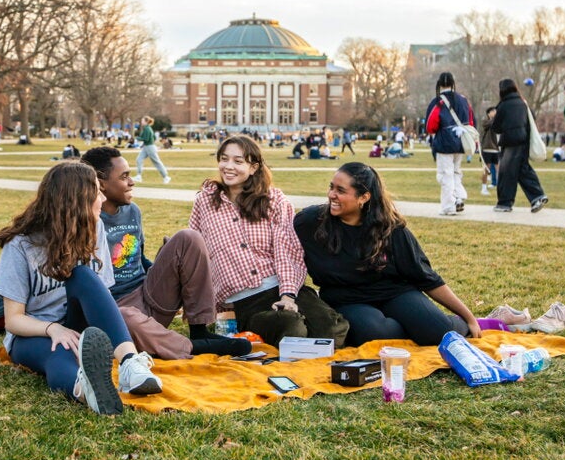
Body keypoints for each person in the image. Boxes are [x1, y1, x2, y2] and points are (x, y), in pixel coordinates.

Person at [0, 162, 162, 415]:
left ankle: (129, 364)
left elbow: (100, 293)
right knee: (60, 351)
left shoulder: (95, 229)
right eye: (97, 192)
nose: (103, 198)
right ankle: (86, 391)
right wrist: (53, 329)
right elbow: (13, 320)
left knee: (82, 274)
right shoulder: (21, 246)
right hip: (33, 333)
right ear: (77, 200)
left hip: (79, 324)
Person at [81, 146, 251, 359]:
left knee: (189, 238)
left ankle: (199, 330)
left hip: (148, 295)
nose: (132, 181)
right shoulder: (86, 222)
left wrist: (171, 275)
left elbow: (139, 258)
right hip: (116, 310)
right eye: (124, 177)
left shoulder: (132, 211)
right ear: (101, 183)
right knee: (125, 318)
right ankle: (191, 347)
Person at [294, 163, 480, 346]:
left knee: (439, 332)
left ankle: (454, 323)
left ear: (364, 197)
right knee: (375, 335)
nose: (331, 195)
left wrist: (469, 317)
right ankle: (414, 328)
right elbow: (282, 248)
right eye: (331, 187)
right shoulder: (310, 222)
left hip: (395, 292)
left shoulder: (389, 228)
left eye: (341, 191)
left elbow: (425, 277)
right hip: (347, 299)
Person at [188, 135, 348, 348]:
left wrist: (288, 297)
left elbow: (287, 250)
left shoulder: (274, 200)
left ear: (253, 167)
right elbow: (194, 253)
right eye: (224, 159)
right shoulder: (205, 201)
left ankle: (304, 338)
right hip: (244, 301)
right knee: (291, 328)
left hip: (283, 287)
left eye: (238, 161)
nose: (228, 166)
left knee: (332, 329)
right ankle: (298, 339)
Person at [490, 78, 548, 213]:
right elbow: (531, 118)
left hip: (510, 142)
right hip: (524, 141)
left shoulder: (503, 106)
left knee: (506, 173)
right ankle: (537, 196)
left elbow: (496, 127)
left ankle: (505, 203)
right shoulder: (523, 103)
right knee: (523, 169)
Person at [424, 71, 474, 216]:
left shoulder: (438, 102)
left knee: (445, 174)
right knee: (456, 171)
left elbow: (430, 125)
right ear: (453, 83)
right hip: (461, 139)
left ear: (440, 84)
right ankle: (458, 196)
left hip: (445, 141)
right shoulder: (463, 100)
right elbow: (470, 121)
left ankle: (449, 204)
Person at [133, 115, 171, 184]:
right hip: (146, 147)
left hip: (150, 147)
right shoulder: (147, 128)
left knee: (156, 162)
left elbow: (146, 139)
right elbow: (154, 137)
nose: (141, 122)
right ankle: (139, 176)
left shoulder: (147, 129)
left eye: (142, 120)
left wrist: (137, 138)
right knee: (139, 159)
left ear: (146, 121)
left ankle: (166, 177)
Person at [479, 106, 500, 196]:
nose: (494, 112)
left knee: (499, 169)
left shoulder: (497, 122)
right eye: (492, 111)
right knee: (486, 170)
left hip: (496, 149)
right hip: (487, 149)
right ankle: (483, 188)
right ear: (488, 113)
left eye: (495, 111)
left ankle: (500, 187)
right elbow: (489, 124)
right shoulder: (486, 122)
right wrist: (495, 118)